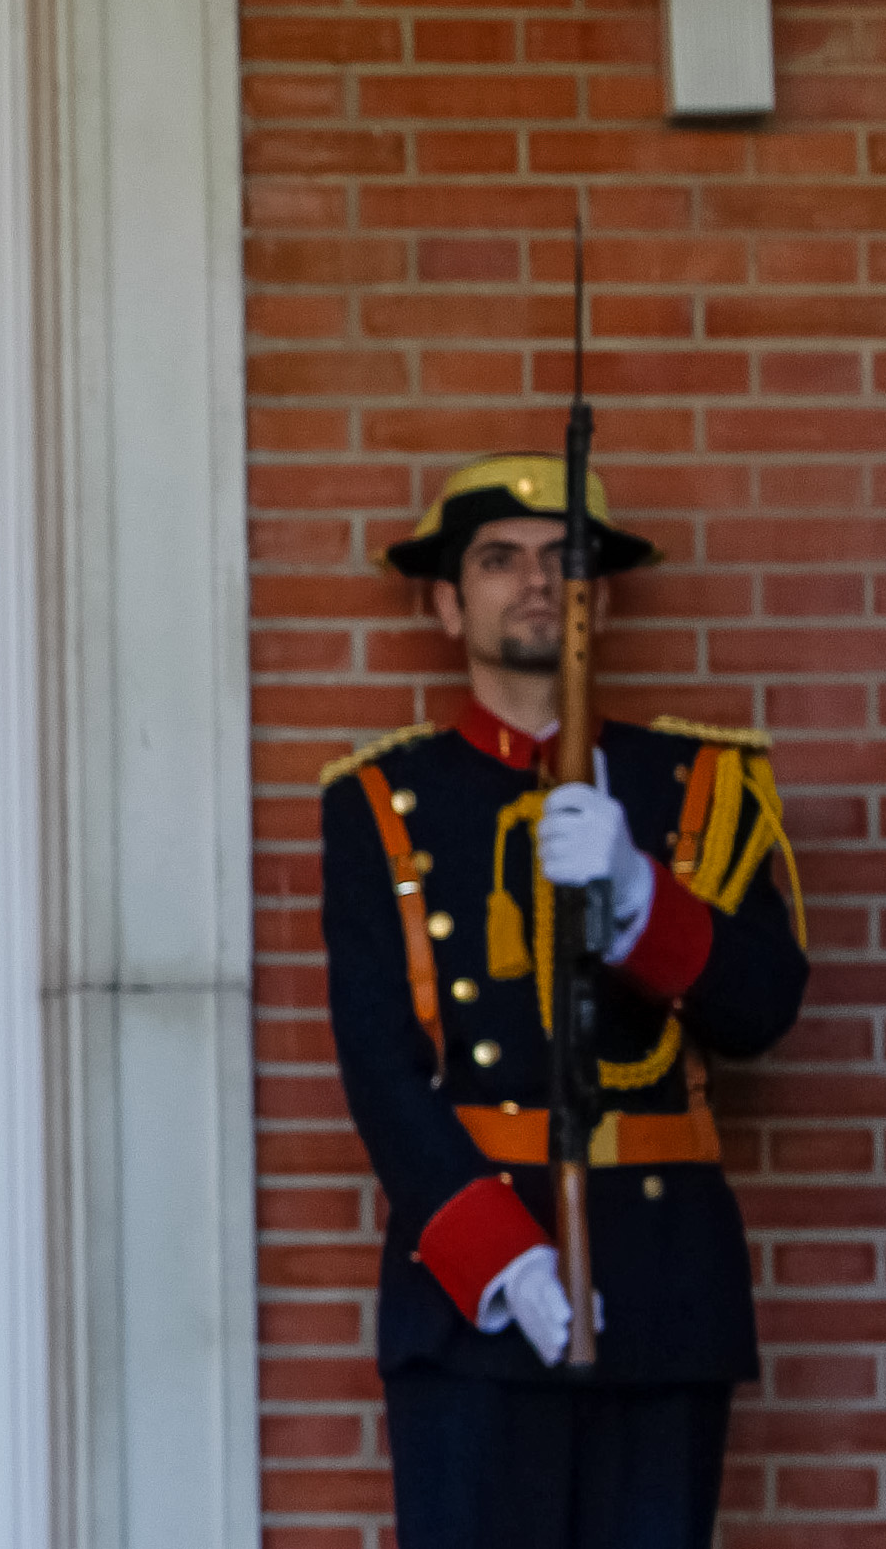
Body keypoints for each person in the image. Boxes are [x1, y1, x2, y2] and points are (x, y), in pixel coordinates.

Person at [320, 455, 808, 1547]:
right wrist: (499, 1256)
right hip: (472, 1296)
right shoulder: (377, 801)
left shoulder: (699, 786)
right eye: (496, 560)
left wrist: (641, 898)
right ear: (447, 603)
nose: (533, 582)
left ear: (602, 598)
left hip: (660, 1281)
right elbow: (378, 1065)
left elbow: (763, 1007)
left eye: (563, 560)